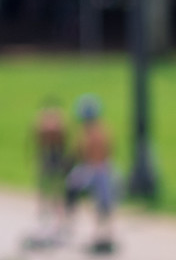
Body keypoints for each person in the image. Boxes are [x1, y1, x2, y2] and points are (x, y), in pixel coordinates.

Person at [64, 94, 116, 253]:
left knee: (100, 203)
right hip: (100, 169)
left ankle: (102, 233)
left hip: (95, 170)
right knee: (101, 203)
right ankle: (101, 232)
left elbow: (81, 152)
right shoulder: (103, 129)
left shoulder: (89, 132)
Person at [32, 96, 68, 233]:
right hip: (52, 155)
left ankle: (52, 218)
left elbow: (37, 140)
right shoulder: (59, 121)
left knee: (51, 189)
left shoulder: (41, 121)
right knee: (52, 189)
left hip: (50, 156)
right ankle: (52, 218)